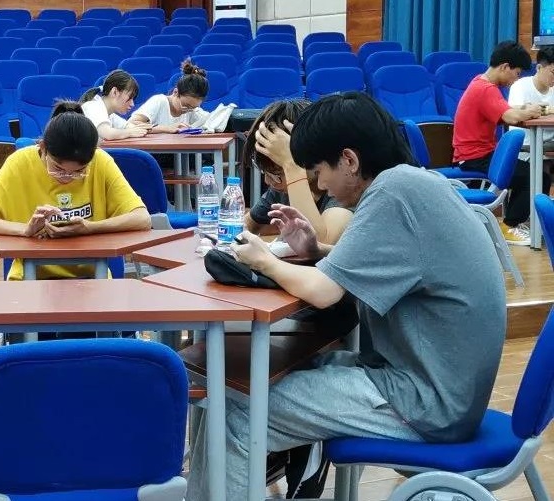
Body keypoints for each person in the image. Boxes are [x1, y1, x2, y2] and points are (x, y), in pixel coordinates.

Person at [187, 92, 506, 500]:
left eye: (320, 171)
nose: (320, 185)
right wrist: (316, 250)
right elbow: (385, 263)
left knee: (237, 415)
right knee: (252, 380)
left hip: (425, 403)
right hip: (438, 388)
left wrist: (264, 261)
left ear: (350, 160)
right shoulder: (416, 183)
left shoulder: (392, 193)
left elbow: (323, 292)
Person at [0, 101, 151, 281]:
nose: (67, 177)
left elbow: (142, 218)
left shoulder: (101, 161)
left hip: (93, 276)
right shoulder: (19, 163)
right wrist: (25, 230)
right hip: (30, 277)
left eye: (79, 171)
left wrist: (89, 228)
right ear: (43, 147)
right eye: (58, 169)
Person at [452, 40, 546, 245]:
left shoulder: (480, 82)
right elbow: (511, 117)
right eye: (517, 73)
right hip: (475, 157)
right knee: (534, 176)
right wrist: (530, 111)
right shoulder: (486, 89)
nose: (516, 79)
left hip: (477, 154)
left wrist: (524, 109)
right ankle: (509, 226)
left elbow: (506, 110)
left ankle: (517, 223)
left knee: (531, 173)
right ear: (505, 67)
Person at [243, 99, 353, 244]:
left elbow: (319, 245)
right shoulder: (281, 188)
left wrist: (292, 166)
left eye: (276, 174)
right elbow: (246, 225)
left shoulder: (343, 187)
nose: (268, 181)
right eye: (266, 172)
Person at [506, 45, 554, 242]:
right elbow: (517, 112)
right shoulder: (521, 86)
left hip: (549, 147)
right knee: (539, 177)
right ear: (539, 68)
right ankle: (513, 224)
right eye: (553, 72)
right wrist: (542, 110)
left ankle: (543, 222)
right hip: (526, 147)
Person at [128, 59, 209, 133]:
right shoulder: (159, 101)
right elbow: (131, 124)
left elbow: (212, 120)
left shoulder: (192, 110)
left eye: (193, 107)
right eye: (186, 105)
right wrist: (166, 128)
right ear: (176, 92)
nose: (188, 110)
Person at [79, 69, 150, 140]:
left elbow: (127, 126)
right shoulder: (93, 106)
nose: (132, 104)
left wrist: (140, 128)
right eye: (130, 98)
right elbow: (107, 134)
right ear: (114, 92)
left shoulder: (110, 114)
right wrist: (130, 132)